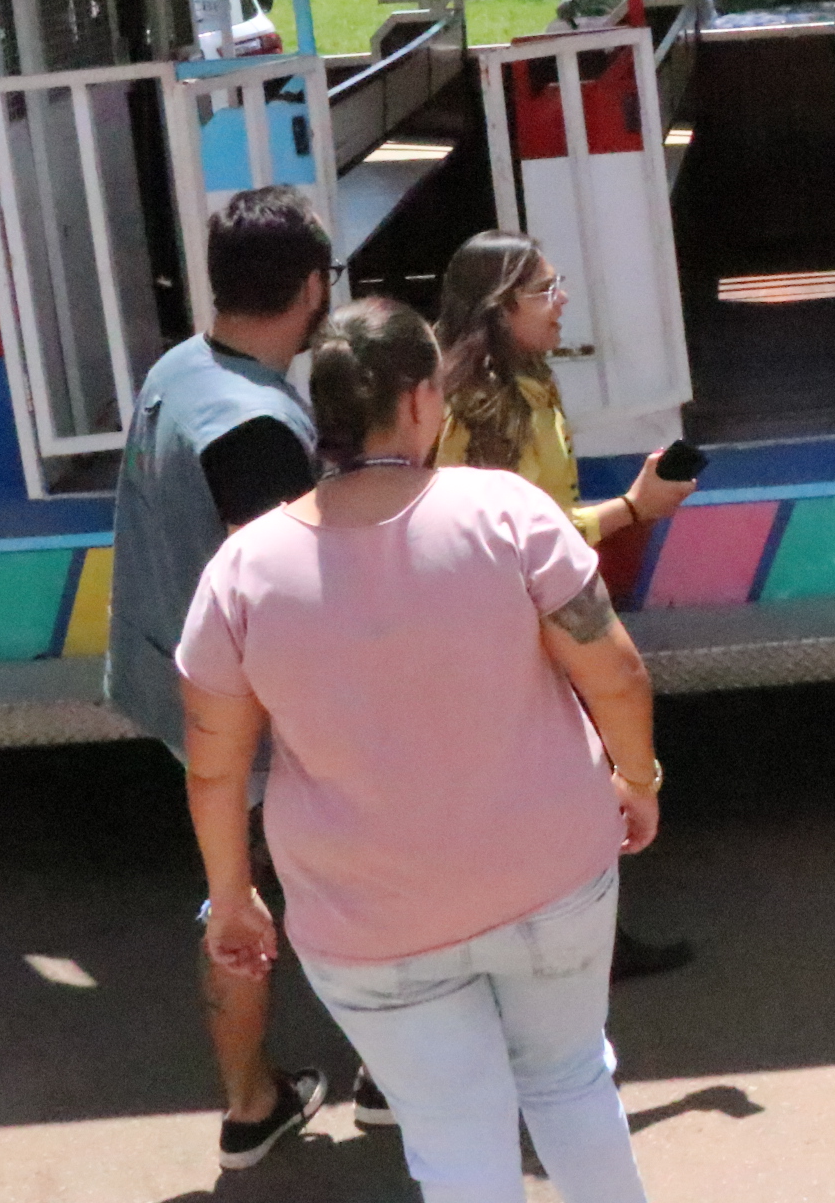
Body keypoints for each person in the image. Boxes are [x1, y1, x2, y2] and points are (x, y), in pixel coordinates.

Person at [178, 299, 663, 1203]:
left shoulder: (240, 573)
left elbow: (214, 767)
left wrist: (232, 902)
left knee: (452, 1133)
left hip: (365, 920)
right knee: (569, 1081)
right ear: (415, 401)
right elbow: (617, 674)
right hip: (550, 875)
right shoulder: (507, 512)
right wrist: (637, 779)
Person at [106, 183, 336, 1166]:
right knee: (258, 902)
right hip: (251, 723)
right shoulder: (257, 430)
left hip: (174, 679)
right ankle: (270, 1101)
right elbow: (279, 602)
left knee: (243, 892)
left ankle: (258, 1101)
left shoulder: (182, 369)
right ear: (314, 288)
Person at [435, 231, 695, 981]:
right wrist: (632, 509)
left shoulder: (521, 383)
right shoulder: (487, 405)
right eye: (545, 291)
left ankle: (585, 940)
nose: (563, 301)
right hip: (512, 627)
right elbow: (511, 539)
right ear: (499, 308)